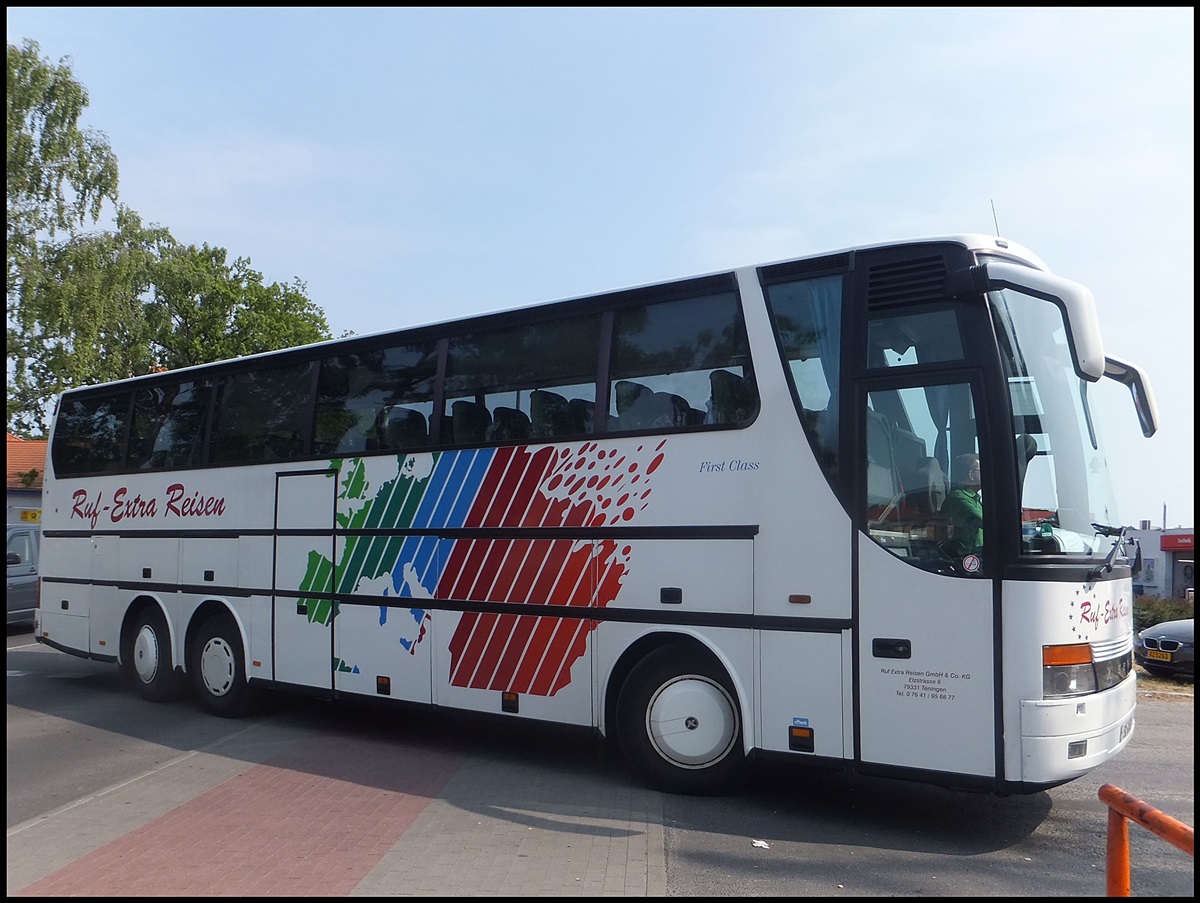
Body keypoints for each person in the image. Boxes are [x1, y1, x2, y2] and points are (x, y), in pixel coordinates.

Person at [942, 452, 983, 555]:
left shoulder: (974, 497)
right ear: (971, 475)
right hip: (969, 555)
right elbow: (985, 522)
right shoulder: (959, 497)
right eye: (981, 470)